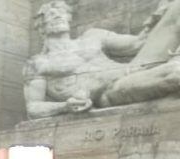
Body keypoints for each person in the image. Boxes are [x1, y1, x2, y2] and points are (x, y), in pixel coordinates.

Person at [25, 0, 180, 118]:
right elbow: (33, 107)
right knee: (176, 72)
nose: (57, 15)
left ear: (69, 17)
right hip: (110, 90)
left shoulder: (93, 35)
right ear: (41, 25)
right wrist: (65, 106)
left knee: (177, 7)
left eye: (61, 11)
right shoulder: (38, 63)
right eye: (51, 14)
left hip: (134, 68)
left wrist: (158, 15)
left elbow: (138, 43)